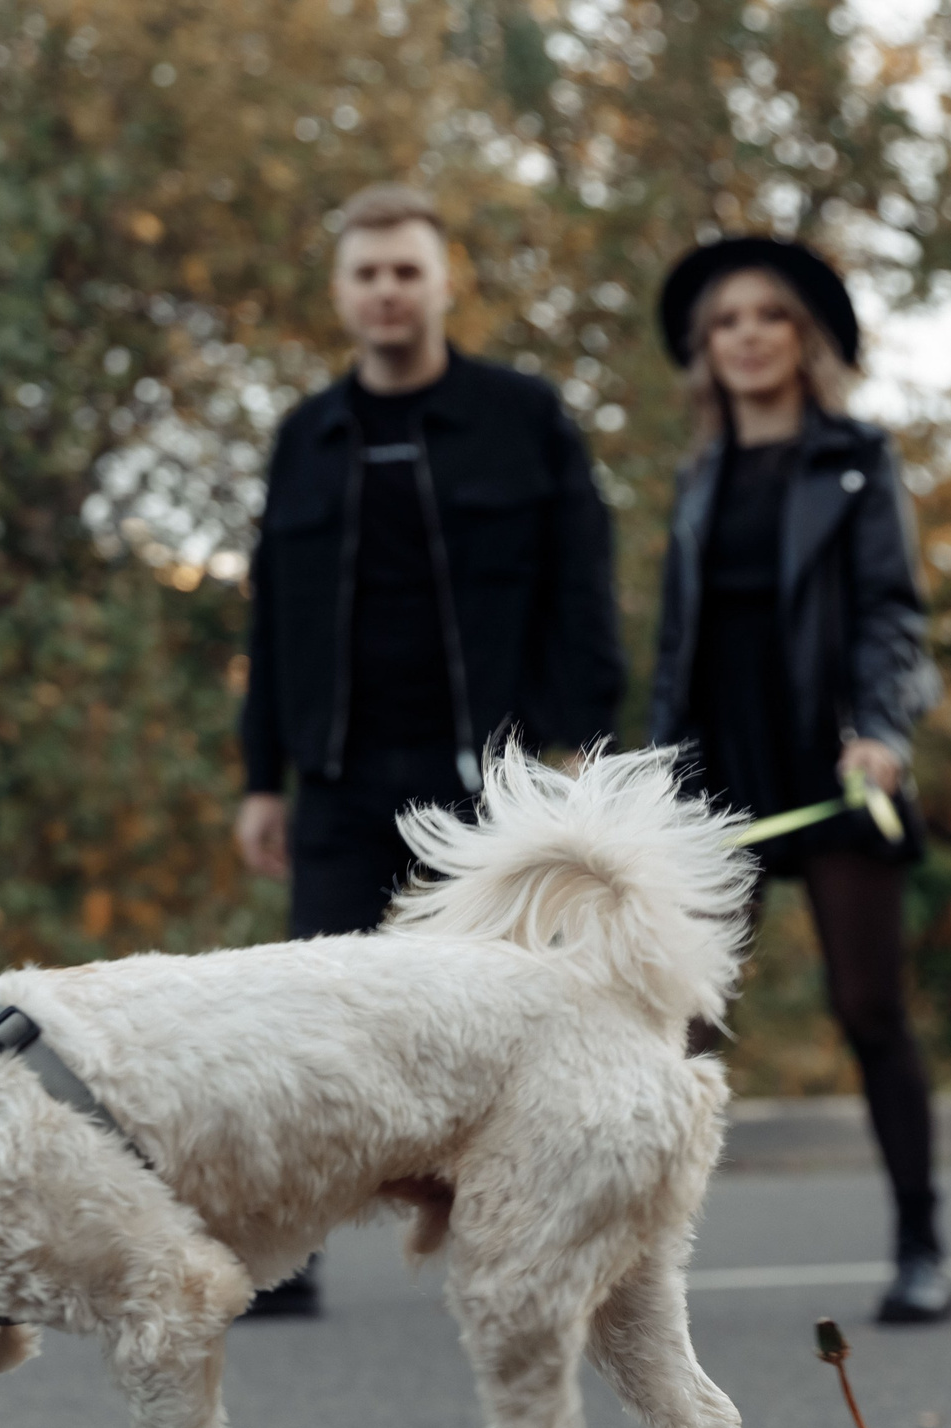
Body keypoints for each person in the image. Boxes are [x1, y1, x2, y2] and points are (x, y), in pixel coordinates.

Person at [233, 183, 626, 1314]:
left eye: (407, 270)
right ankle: (287, 1256)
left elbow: (580, 593)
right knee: (312, 1015)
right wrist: (263, 774)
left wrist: (579, 749)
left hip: (493, 779)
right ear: (341, 292)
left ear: (443, 282)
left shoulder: (523, 418)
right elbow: (269, 620)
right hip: (342, 775)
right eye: (367, 272)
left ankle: (550, 1239)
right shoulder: (306, 437)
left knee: (516, 1016)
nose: (388, 291)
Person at [649, 237, 951, 1325]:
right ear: (705, 348)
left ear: (802, 338)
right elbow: (679, 644)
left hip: (831, 771)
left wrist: (878, 729)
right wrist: (647, 769)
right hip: (715, 776)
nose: (744, 335)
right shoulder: (697, 480)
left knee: (869, 1006)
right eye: (723, 321)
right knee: (672, 1020)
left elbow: (891, 613)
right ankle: (638, 1262)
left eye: (766, 316)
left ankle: (921, 1243)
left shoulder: (856, 457)